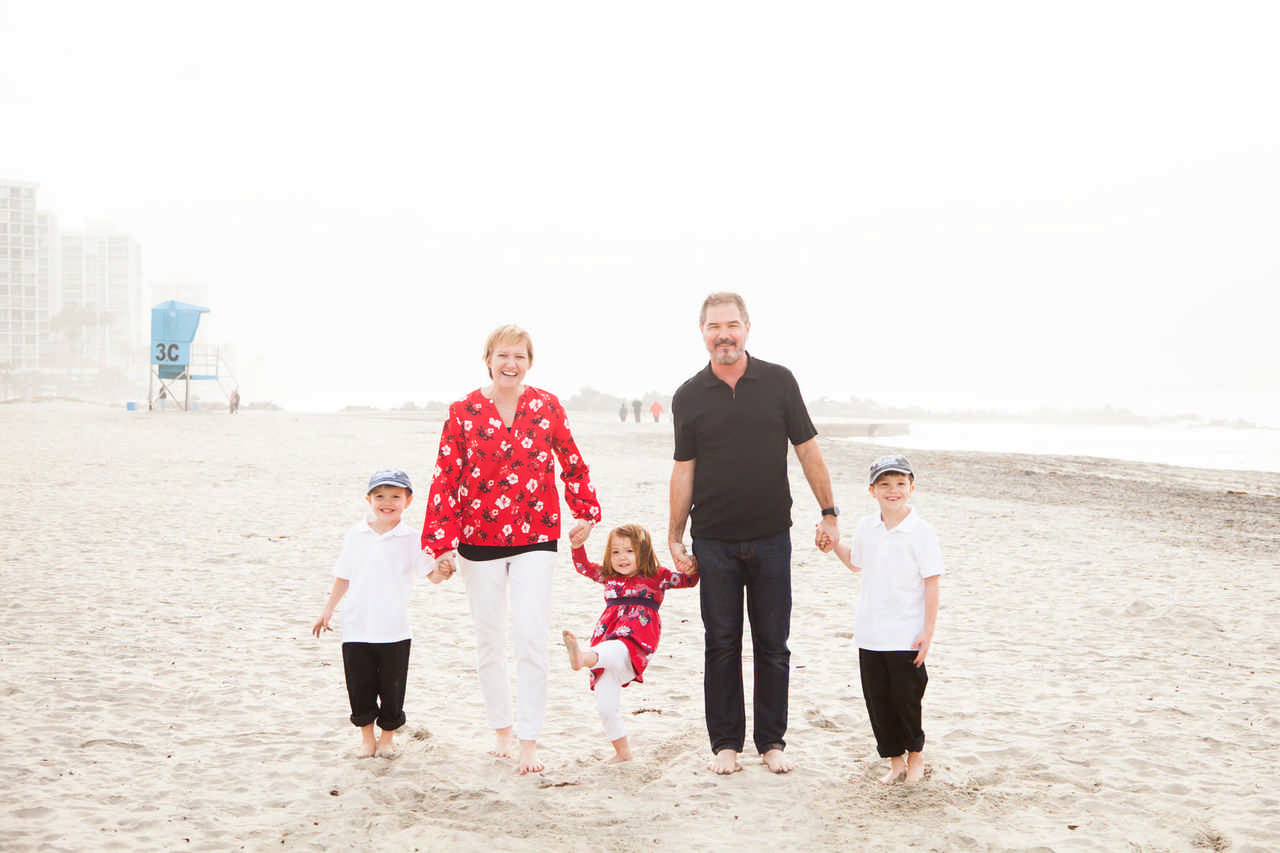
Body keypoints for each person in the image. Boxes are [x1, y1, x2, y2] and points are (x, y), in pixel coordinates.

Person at [668, 291, 840, 775]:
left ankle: (772, 741)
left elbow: (808, 452)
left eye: (731, 325)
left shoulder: (779, 382)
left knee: (772, 643)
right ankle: (725, 743)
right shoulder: (688, 395)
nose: (723, 334)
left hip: (770, 536)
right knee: (720, 643)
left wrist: (829, 512)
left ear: (747, 328)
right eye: (714, 326)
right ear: (702, 332)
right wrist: (675, 535)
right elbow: (684, 469)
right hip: (714, 539)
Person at [422, 324, 602, 774]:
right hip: (476, 541)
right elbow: (445, 476)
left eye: (519, 356)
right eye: (503, 355)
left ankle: (528, 742)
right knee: (489, 640)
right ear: (488, 359)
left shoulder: (546, 406)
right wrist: (441, 544)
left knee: (529, 636)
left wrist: (585, 512)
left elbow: (572, 460)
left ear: (529, 362)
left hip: (536, 536)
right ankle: (501, 730)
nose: (510, 363)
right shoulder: (463, 411)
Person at [821, 454, 943, 784]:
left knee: (907, 699)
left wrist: (928, 632)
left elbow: (932, 582)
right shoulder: (866, 527)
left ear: (911, 488)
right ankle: (895, 761)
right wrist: (832, 543)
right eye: (885, 484)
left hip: (906, 634)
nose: (893, 490)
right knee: (878, 701)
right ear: (872, 490)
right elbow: (855, 561)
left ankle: (916, 756)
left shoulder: (921, 532)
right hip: (870, 633)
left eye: (900, 483)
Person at [312, 469, 448, 758]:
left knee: (392, 688)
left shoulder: (413, 538)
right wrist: (328, 610)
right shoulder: (356, 534)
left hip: (394, 628)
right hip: (356, 625)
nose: (387, 502)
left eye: (395, 496)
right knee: (359, 687)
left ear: (408, 501)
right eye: (380, 496)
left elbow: (431, 576)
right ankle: (367, 740)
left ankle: (387, 739)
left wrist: (443, 570)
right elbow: (343, 576)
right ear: (369, 499)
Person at [561, 523, 699, 763]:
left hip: (636, 635)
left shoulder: (657, 576)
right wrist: (577, 546)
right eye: (615, 552)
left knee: (613, 649)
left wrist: (695, 561)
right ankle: (622, 753)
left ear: (643, 552)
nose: (621, 557)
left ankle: (582, 658)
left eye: (629, 551)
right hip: (605, 637)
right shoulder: (608, 576)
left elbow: (689, 580)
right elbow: (583, 567)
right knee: (605, 706)